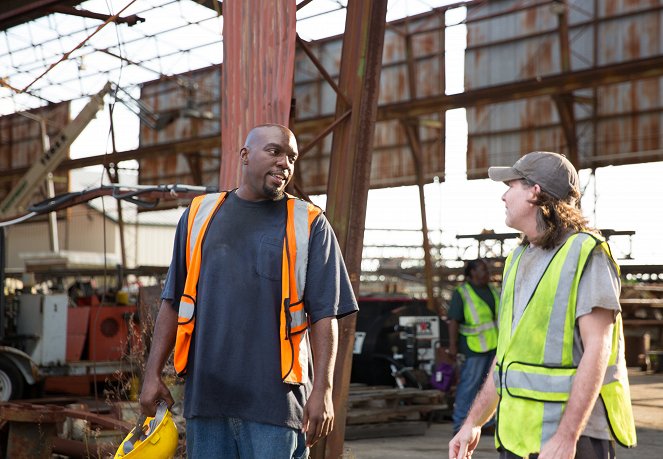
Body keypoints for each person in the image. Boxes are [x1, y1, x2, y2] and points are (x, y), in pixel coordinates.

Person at [139, 124, 358, 458]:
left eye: (292, 157)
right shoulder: (199, 216)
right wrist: (152, 374)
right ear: (245, 155)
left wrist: (323, 392)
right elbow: (173, 302)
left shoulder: (310, 223)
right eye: (275, 151)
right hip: (207, 402)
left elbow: (325, 314)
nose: (285, 162)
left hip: (276, 405)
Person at [449, 151, 636, 459]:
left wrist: (567, 435)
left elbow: (598, 349)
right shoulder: (518, 258)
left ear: (535, 192)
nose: (503, 196)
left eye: (511, 185)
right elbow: (505, 357)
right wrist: (473, 422)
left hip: (570, 440)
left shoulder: (587, 253)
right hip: (516, 436)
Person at [447, 259, 498, 434]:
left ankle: (488, 423)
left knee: (491, 387)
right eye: (482, 270)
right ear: (471, 273)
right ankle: (460, 425)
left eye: (487, 269)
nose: (487, 273)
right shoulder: (462, 293)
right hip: (474, 348)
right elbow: (453, 321)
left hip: (495, 346)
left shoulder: (493, 290)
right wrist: (452, 346)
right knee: (469, 386)